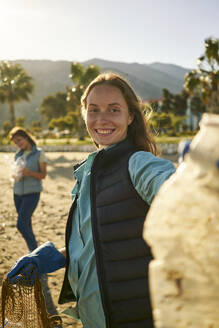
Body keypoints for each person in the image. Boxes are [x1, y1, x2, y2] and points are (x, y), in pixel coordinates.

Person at [7, 73, 176, 328]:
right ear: (84, 114)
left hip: (131, 316)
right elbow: (98, 240)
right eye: (93, 109)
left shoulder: (137, 162)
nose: (102, 119)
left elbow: (174, 189)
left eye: (114, 109)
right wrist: (56, 256)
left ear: (130, 116)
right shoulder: (88, 170)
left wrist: (196, 184)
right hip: (93, 317)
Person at [9, 127, 47, 251]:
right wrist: (16, 175)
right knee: (26, 223)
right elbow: (16, 173)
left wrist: (29, 172)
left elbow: (43, 175)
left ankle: (34, 251)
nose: (18, 144)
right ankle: (33, 252)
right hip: (17, 193)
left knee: (21, 224)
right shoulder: (18, 154)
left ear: (26, 137)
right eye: (16, 143)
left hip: (32, 193)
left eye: (19, 140)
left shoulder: (39, 153)